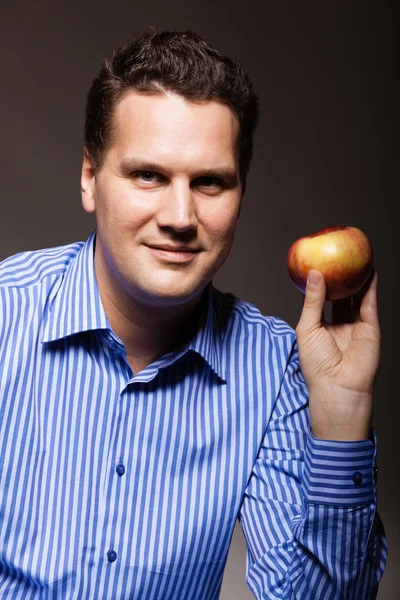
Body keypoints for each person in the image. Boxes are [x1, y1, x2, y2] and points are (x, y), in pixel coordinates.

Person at [0, 27, 387, 599]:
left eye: (209, 183)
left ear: (241, 192)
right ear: (89, 177)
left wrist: (342, 419)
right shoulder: (7, 312)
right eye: (148, 175)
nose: (180, 216)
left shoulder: (277, 368)